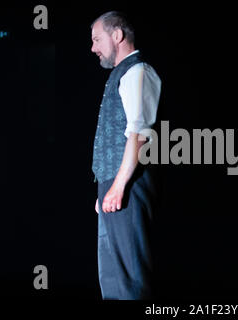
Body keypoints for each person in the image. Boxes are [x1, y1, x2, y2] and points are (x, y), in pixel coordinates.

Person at [90, 11, 161, 300]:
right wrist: (107, 186)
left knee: (130, 275)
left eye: (97, 39)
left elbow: (139, 134)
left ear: (117, 35)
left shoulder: (138, 71)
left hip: (130, 185)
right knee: (110, 272)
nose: (93, 48)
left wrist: (118, 185)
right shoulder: (121, 74)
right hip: (114, 182)